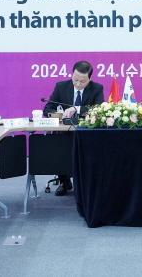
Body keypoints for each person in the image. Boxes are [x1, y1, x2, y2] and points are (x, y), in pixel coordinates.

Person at [43, 60, 105, 196]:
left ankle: (86, 183)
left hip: (86, 132)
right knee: (59, 143)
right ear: (71, 74)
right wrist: (57, 113)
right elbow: (47, 109)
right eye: (75, 79)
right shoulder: (61, 86)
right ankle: (64, 181)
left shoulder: (97, 88)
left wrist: (77, 108)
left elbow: (99, 110)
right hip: (64, 132)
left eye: (83, 81)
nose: (78, 84)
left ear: (90, 78)